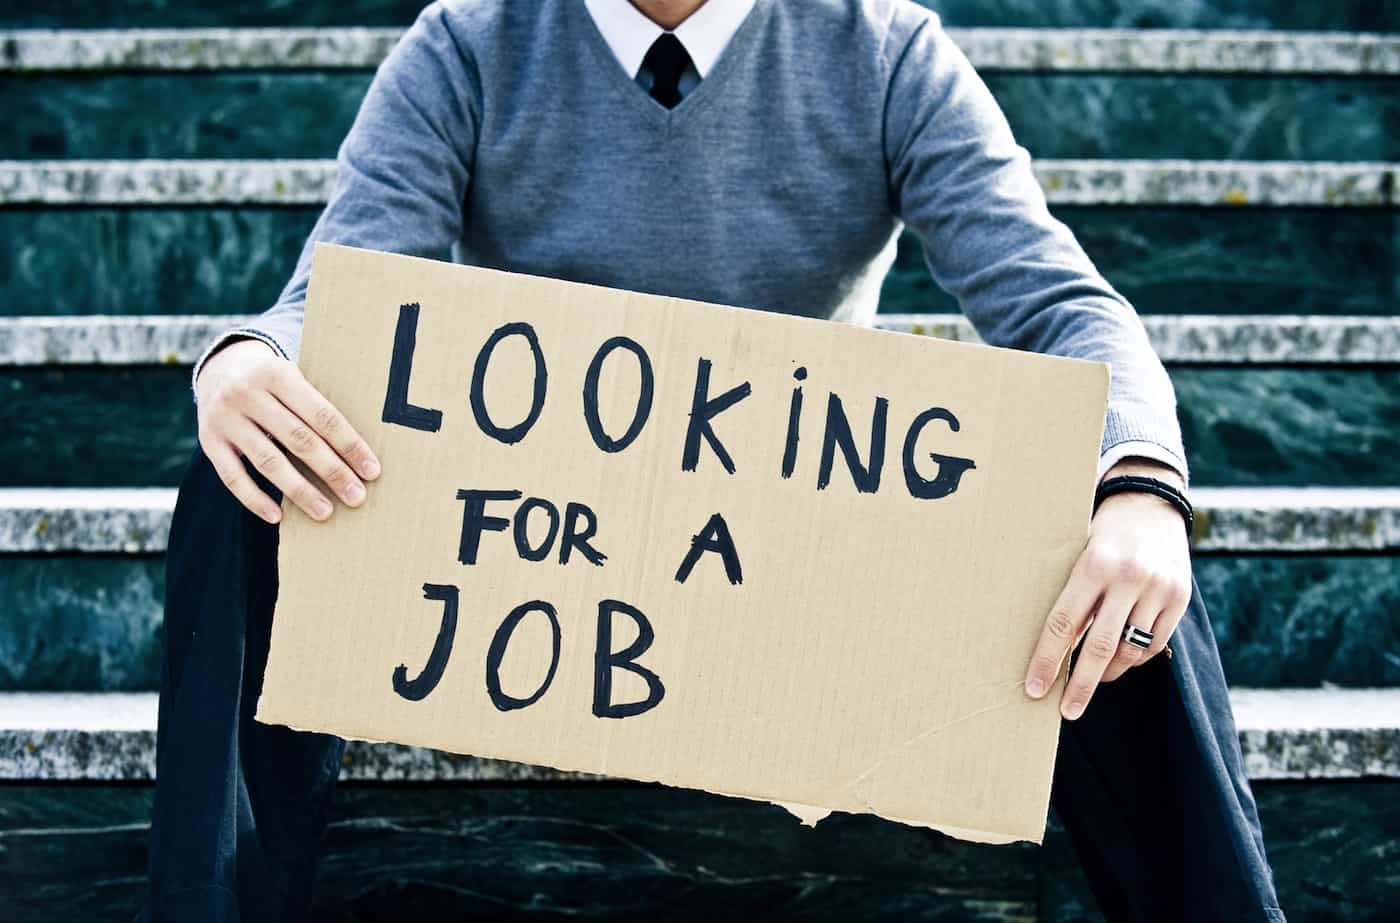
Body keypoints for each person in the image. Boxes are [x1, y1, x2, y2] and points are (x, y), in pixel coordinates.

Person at [140, 1, 1287, 920]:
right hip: (546, 560)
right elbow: (331, 301)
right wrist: (238, 360)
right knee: (243, 474)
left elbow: (1064, 308)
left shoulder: (881, 47)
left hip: (799, 562)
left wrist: (1138, 484)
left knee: (1112, 544)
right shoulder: (468, 42)